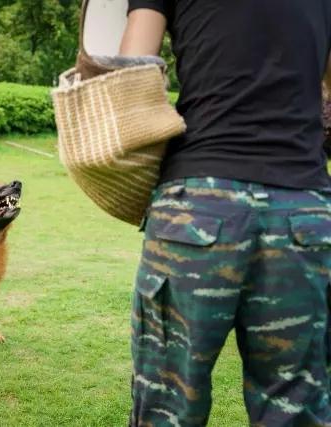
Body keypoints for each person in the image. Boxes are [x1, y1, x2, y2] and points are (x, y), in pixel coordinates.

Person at [120, 1, 331, 425]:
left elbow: (129, 74)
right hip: (303, 212)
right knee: (296, 406)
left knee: (168, 405)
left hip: (198, 206)